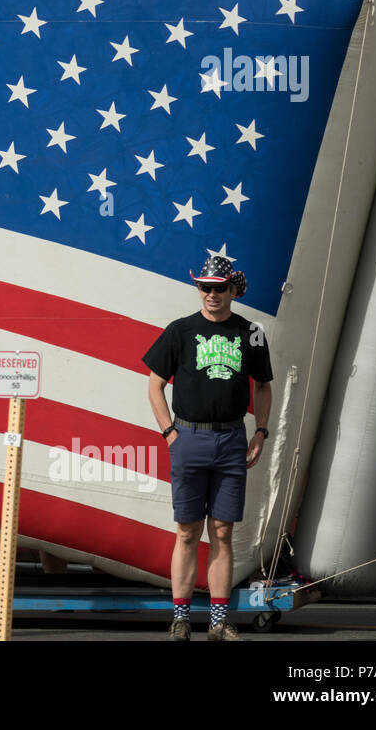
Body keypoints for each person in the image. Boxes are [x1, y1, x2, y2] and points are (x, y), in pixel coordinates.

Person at [143, 254, 272, 641]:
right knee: (186, 531)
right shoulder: (179, 331)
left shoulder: (251, 333)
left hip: (232, 438)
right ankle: (180, 618)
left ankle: (219, 620)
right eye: (205, 287)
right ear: (197, 288)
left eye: (219, 287)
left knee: (222, 531)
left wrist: (260, 431)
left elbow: (264, 385)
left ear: (233, 289)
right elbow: (154, 383)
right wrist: (169, 432)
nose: (212, 294)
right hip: (188, 437)